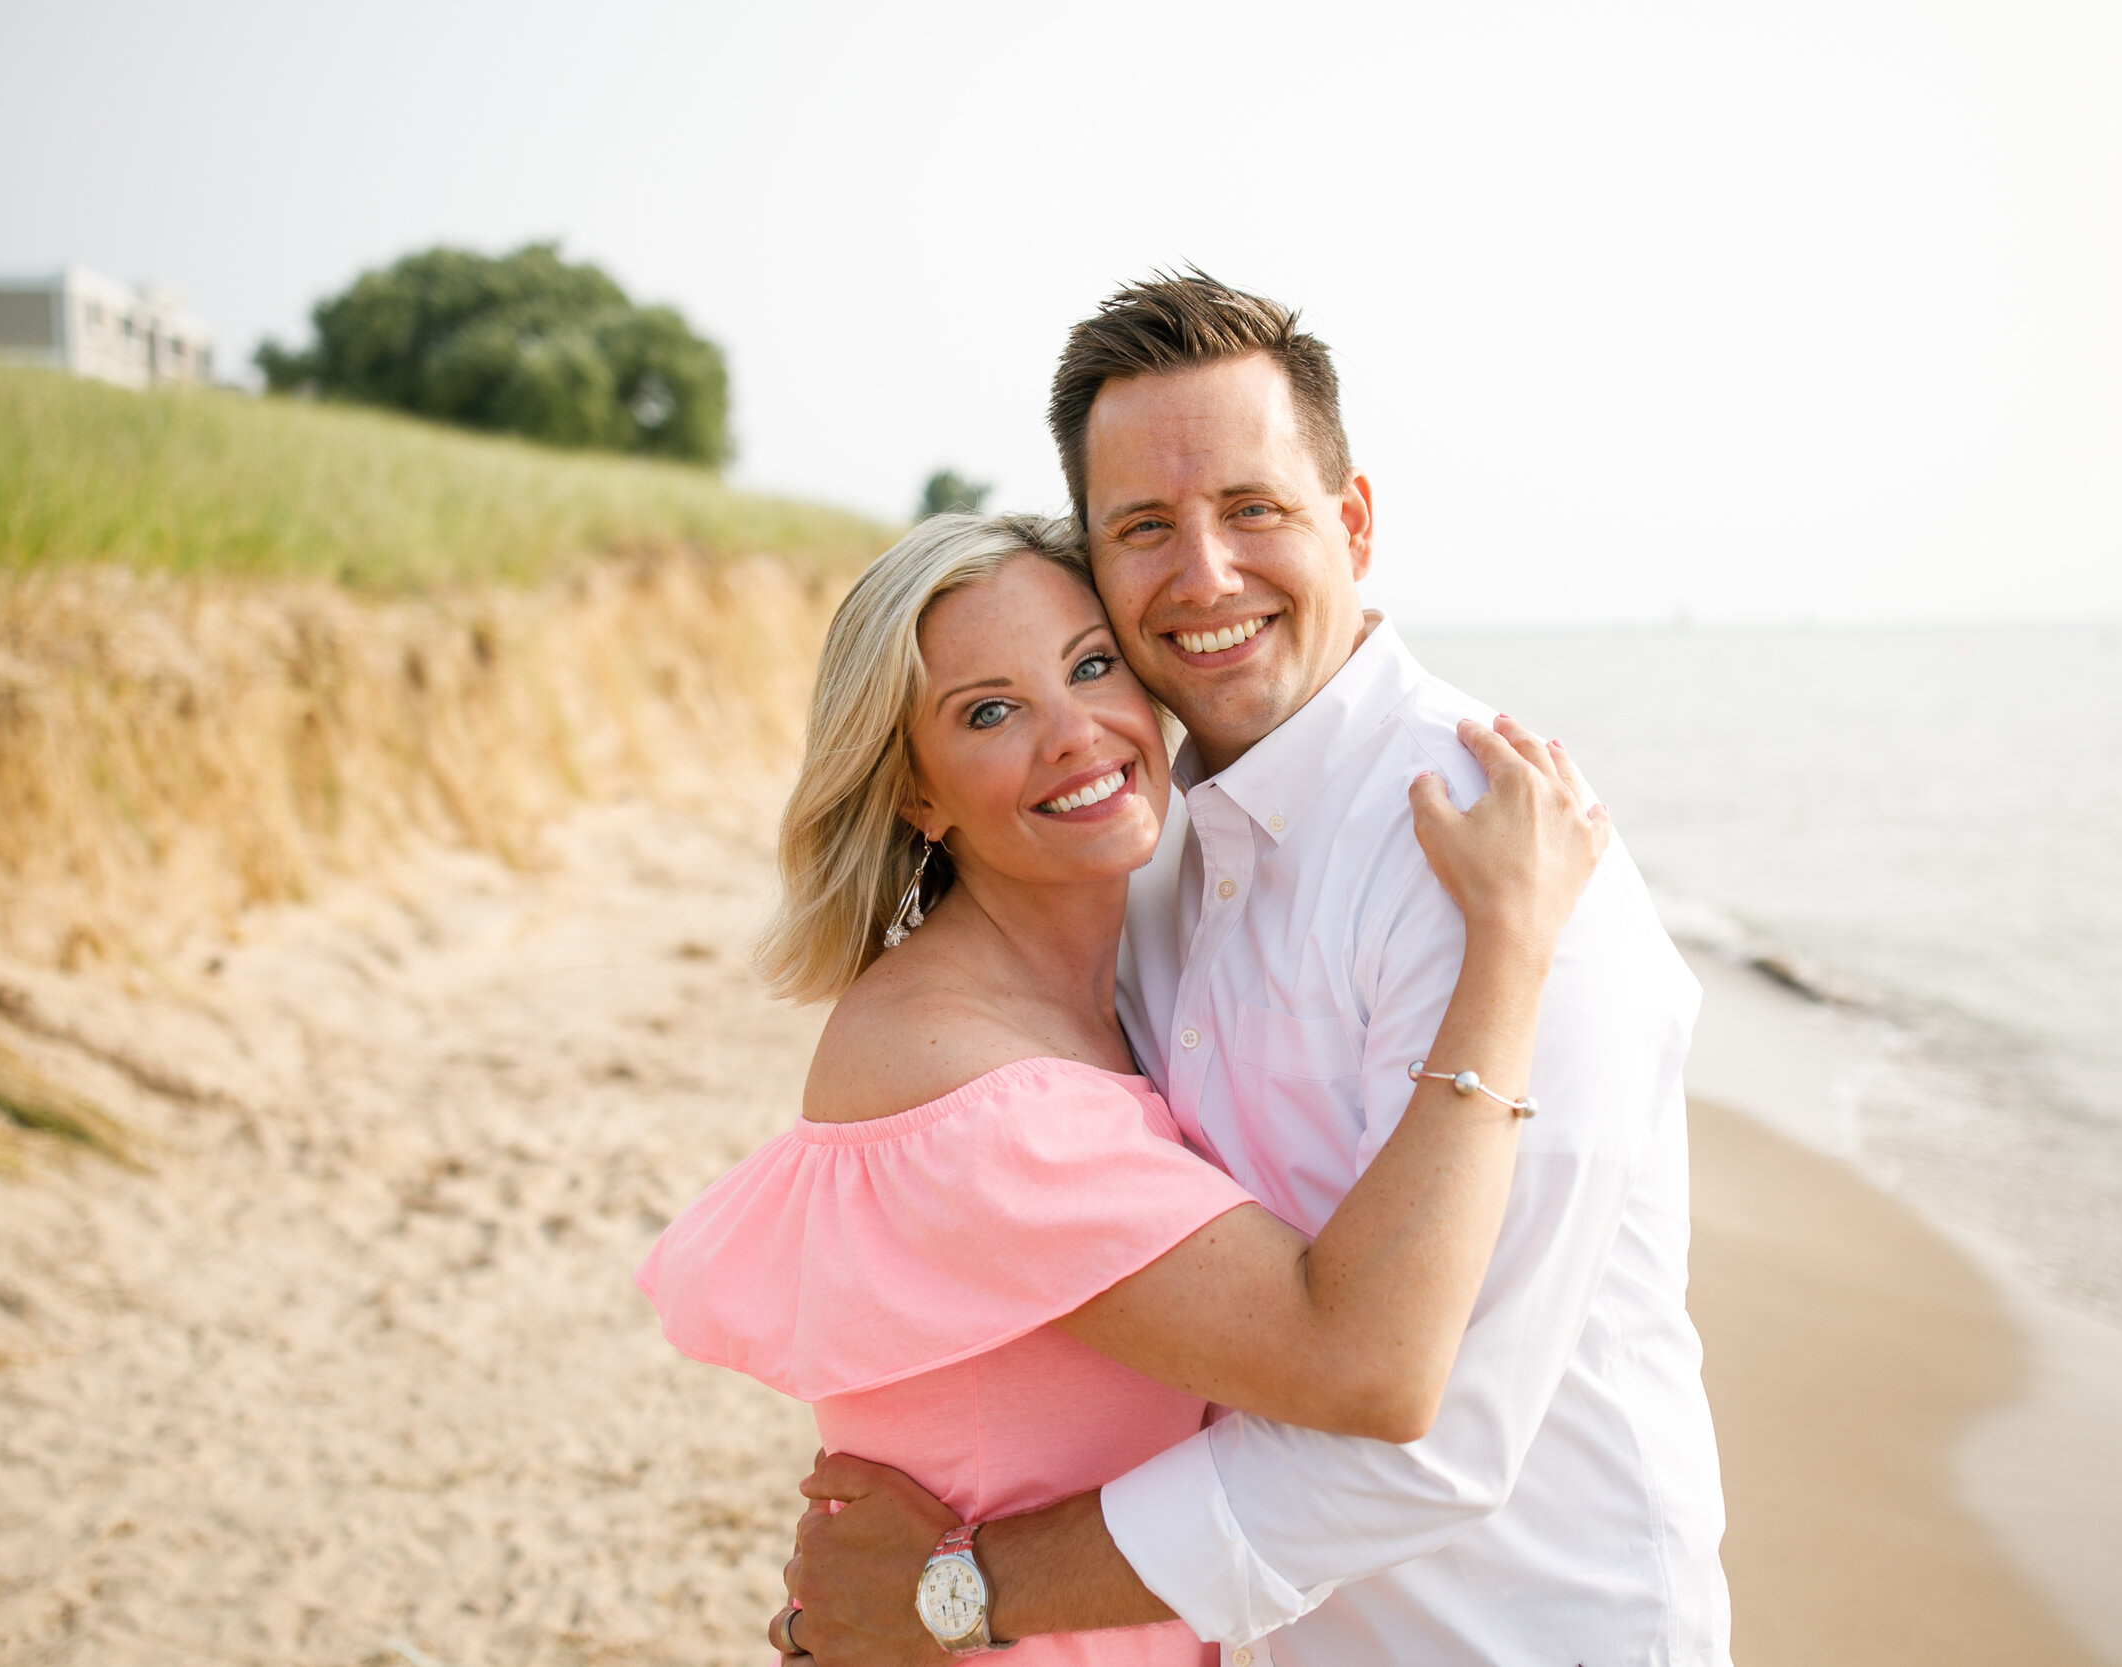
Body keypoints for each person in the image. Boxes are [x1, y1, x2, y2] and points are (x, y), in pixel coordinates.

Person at [777, 274, 1732, 1667]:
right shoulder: (1144, 850)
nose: (1204, 574)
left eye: (1254, 508)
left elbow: (1435, 1428)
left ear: (1351, 521)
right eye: (1145, 528)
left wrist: (956, 1589)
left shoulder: (1501, 865)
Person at [637, 509, 1611, 1665]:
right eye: (989, 710)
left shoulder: (1120, 978)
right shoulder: (959, 1079)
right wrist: (1507, 941)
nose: (1075, 732)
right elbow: (1366, 1365)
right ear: (917, 794)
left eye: (1092, 665)